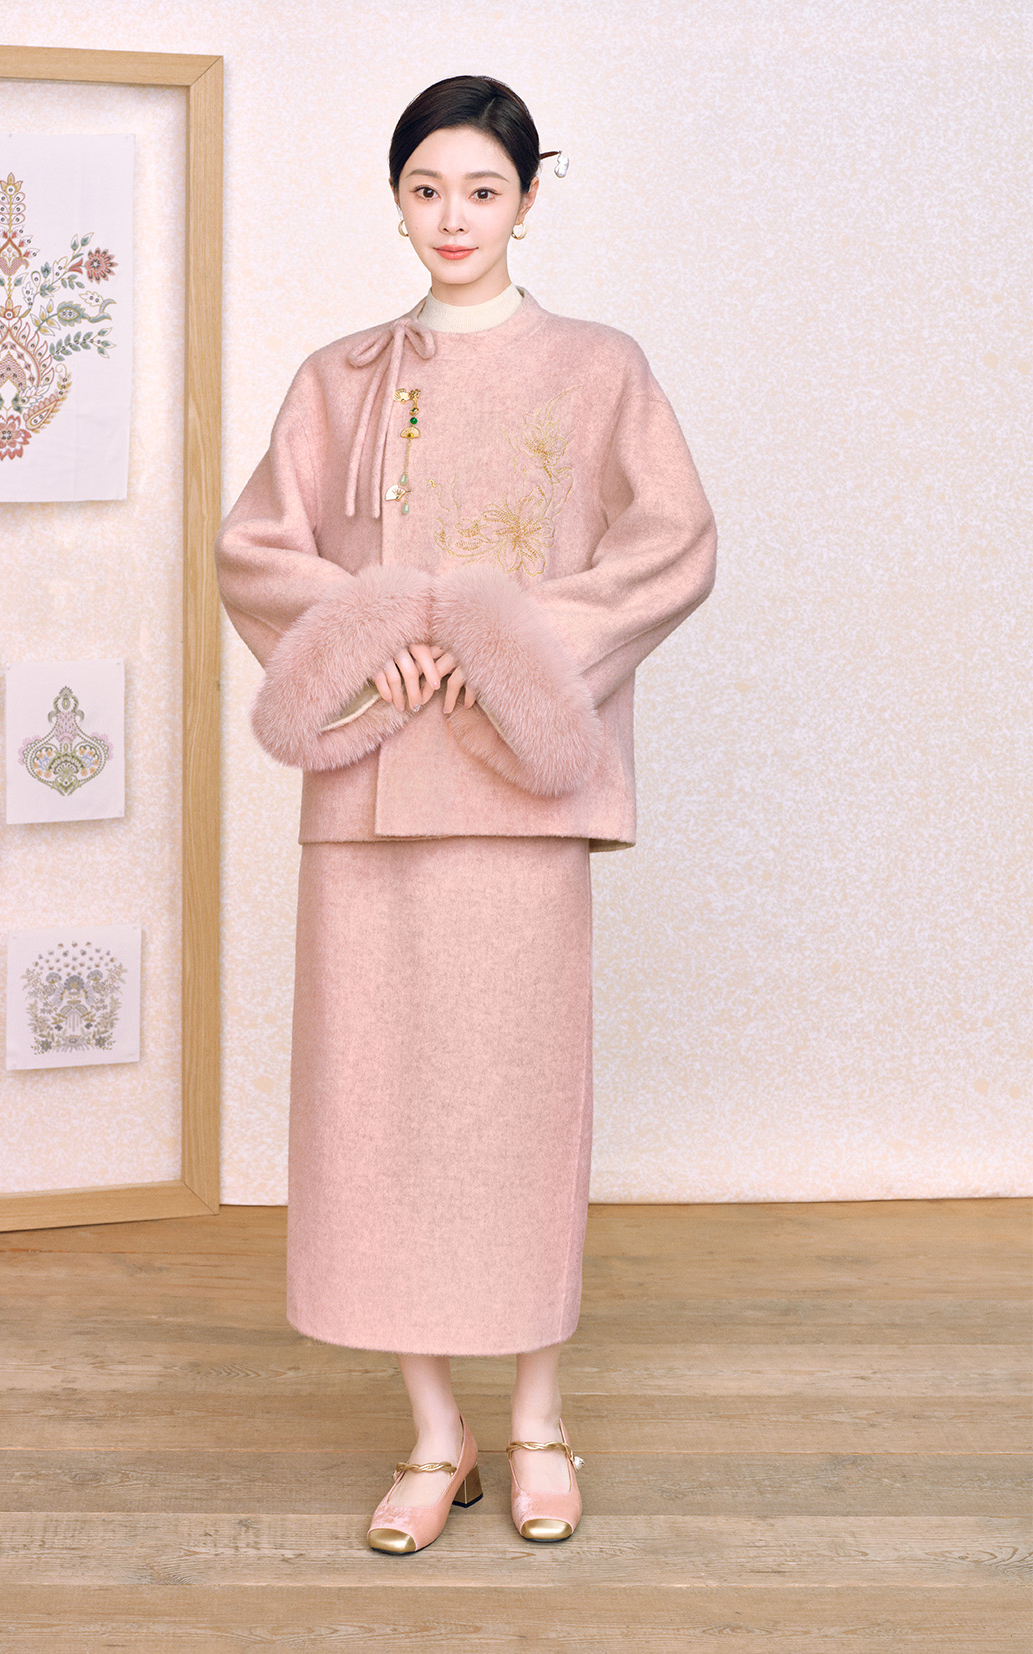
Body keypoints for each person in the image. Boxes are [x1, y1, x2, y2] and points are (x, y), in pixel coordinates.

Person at [215, 74, 716, 1554]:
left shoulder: (599, 367)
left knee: (514, 1108)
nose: (454, 217)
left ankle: (537, 1417)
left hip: (514, 789)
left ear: (528, 201)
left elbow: (673, 542)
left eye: (483, 190)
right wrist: (379, 634)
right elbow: (256, 551)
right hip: (371, 791)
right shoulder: (338, 377)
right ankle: (436, 1434)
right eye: (428, 189)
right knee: (376, 1111)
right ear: (396, 200)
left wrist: (496, 639)